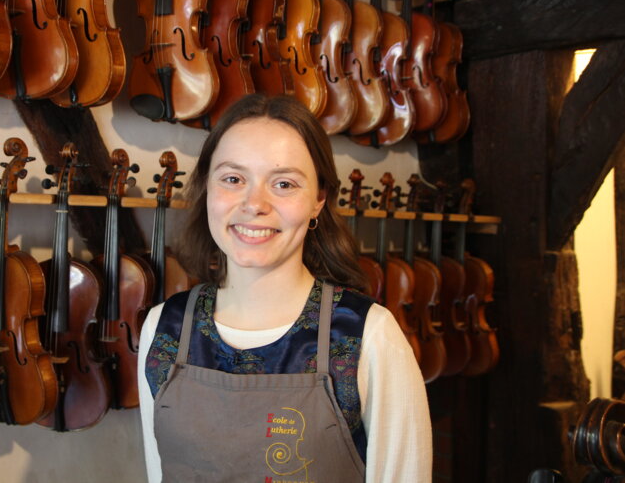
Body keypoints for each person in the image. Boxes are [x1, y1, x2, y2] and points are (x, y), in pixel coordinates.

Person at [137, 94, 431, 482]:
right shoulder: (163, 328)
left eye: (284, 183)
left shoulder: (369, 336)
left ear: (319, 199)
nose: (254, 203)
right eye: (233, 179)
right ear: (207, 186)